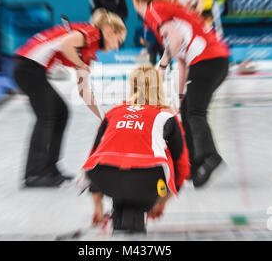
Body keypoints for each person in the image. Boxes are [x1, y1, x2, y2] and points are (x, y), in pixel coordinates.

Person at [131, 0, 230, 188]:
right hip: (212, 61)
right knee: (187, 110)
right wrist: (180, 94)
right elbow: (183, 59)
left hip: (208, 60)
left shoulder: (153, 9)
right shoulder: (168, 9)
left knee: (195, 112)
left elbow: (175, 41)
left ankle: (210, 157)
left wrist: (161, 66)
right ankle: (194, 166)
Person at [14, 9, 127, 188]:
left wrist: (103, 117)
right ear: (109, 30)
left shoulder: (89, 49)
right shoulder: (91, 33)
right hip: (27, 67)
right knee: (47, 116)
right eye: (119, 41)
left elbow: (84, 91)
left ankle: (50, 168)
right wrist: (80, 64)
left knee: (61, 112)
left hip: (33, 70)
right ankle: (34, 173)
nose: (116, 47)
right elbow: (67, 44)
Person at [81, 66, 190, 233]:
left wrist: (97, 205)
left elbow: (93, 157)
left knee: (115, 164)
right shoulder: (167, 116)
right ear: (160, 86)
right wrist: (162, 201)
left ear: (132, 86)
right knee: (158, 159)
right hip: (148, 182)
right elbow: (182, 164)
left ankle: (120, 219)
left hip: (104, 179)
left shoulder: (114, 113)